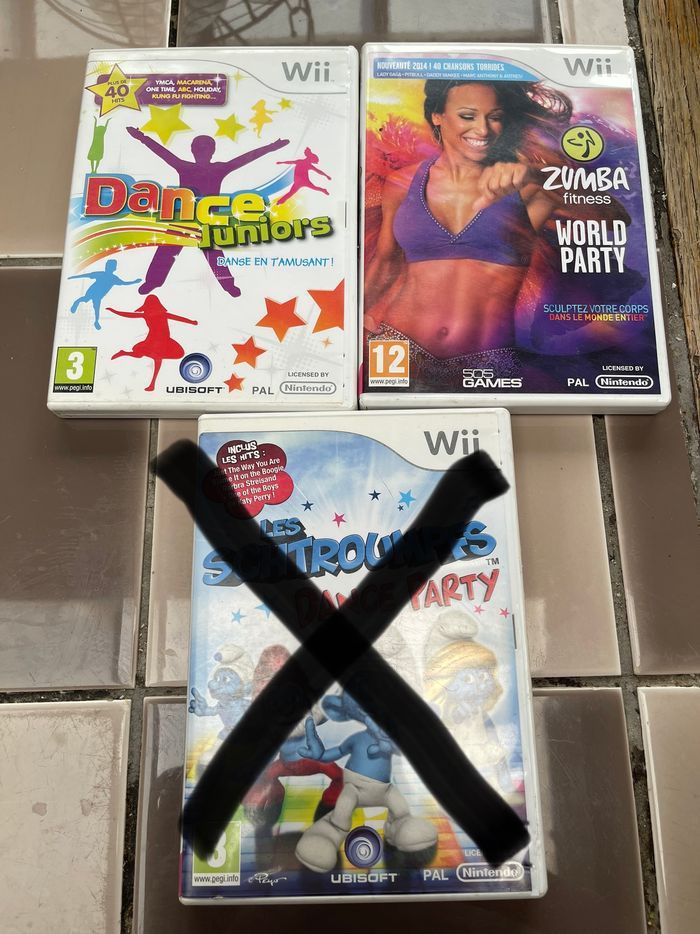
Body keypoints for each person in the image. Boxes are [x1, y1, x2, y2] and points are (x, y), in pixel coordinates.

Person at [364, 79, 627, 387]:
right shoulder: (401, 183)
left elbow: (615, 218)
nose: (483, 129)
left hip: (487, 362)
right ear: (437, 115)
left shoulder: (528, 184)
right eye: (467, 116)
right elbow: (385, 261)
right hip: (398, 348)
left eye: (495, 117)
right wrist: (357, 319)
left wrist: (535, 174)